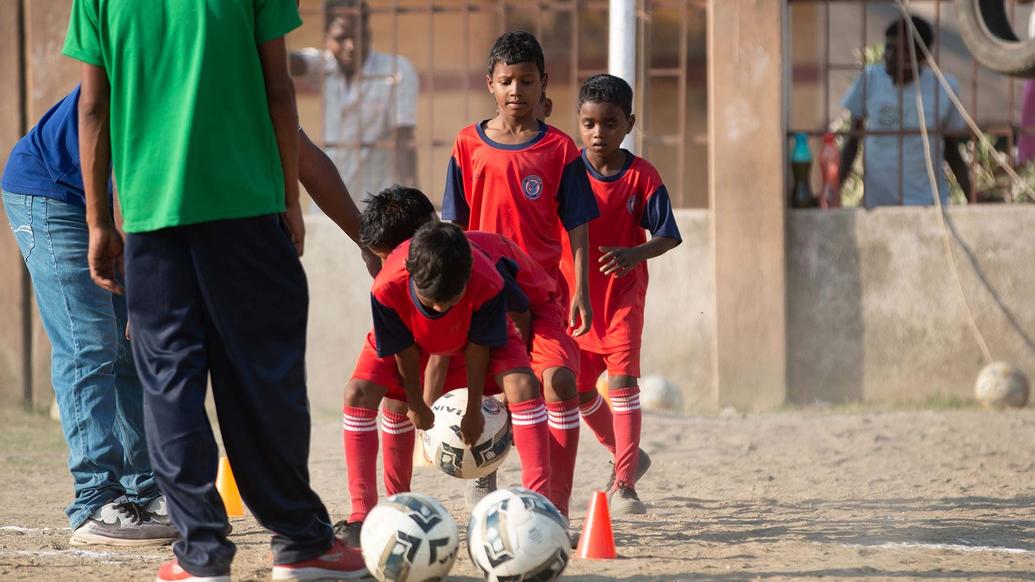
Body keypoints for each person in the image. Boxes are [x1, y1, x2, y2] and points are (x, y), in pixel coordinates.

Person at [63, 1, 366, 579]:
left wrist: (100, 221)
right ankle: (302, 544)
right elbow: (279, 91)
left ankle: (200, 555)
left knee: (169, 383)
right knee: (263, 378)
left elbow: (94, 105)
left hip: (153, 216)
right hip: (247, 207)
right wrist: (288, 196)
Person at [1, 86, 178, 547]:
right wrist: (143, 290)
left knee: (131, 347)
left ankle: (147, 489)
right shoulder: (159, 68)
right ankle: (94, 501)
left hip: (113, 199)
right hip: (53, 191)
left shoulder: (227, 81)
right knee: (90, 342)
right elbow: (129, 189)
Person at [441, 31, 598, 509]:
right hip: (483, 298)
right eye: (507, 81)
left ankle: (554, 505)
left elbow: (577, 225)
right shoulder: (468, 144)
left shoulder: (561, 149)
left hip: (541, 295)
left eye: (526, 81)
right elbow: (453, 223)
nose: (516, 91)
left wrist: (582, 290)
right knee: (491, 392)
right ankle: (485, 469)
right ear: (491, 83)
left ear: (542, 84)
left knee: (560, 382)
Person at [337, 218, 552, 545]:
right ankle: (365, 514)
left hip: (471, 340)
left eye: (449, 300)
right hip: (412, 339)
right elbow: (404, 352)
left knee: (523, 385)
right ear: (411, 274)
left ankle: (539, 508)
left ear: (466, 278)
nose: (439, 307)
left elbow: (479, 348)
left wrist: (473, 410)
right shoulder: (386, 287)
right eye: (431, 301)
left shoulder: (488, 281)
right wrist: (416, 403)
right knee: (358, 393)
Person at [562, 74, 682, 516]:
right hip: (576, 300)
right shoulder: (567, 172)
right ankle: (622, 450)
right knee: (574, 391)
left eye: (610, 124)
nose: (599, 133)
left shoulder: (642, 176)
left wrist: (635, 253)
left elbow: (668, 234)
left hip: (623, 302)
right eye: (590, 123)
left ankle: (626, 484)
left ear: (628, 124)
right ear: (579, 122)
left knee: (624, 384)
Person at [290, 0, 418, 204]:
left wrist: (413, 195)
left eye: (357, 36)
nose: (350, 46)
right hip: (328, 203)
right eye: (341, 38)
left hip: (376, 201)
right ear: (326, 39)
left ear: (368, 33)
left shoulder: (395, 71)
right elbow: (286, 61)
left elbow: (403, 140)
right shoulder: (324, 65)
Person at [839, 15, 972, 207]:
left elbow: (952, 149)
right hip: (877, 206)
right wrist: (833, 190)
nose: (890, 56)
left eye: (901, 51)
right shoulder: (871, 79)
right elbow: (852, 140)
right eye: (889, 48)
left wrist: (973, 197)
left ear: (922, 57)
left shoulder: (943, 87)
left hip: (927, 206)